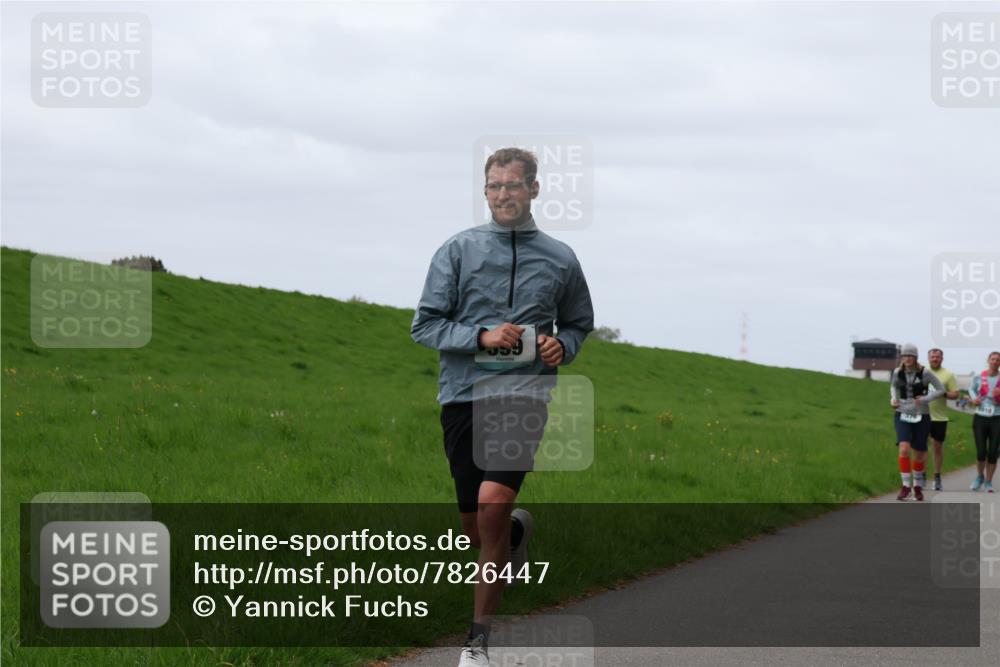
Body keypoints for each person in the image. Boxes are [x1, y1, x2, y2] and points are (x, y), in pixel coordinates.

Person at [411, 147, 594, 667]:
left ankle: (476, 644)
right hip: (464, 395)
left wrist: (566, 346)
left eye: (512, 186)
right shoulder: (458, 250)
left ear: (534, 190)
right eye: (493, 186)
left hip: (525, 395)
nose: (501, 195)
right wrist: (482, 336)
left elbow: (578, 322)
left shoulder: (561, 258)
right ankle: (515, 533)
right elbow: (424, 325)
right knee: (478, 527)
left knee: (493, 502)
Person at [890, 343, 945, 501]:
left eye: (910, 356)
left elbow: (941, 389)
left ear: (915, 358)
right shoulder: (897, 372)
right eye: (905, 355)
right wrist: (893, 399)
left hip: (922, 415)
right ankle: (906, 486)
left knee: (920, 452)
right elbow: (893, 387)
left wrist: (926, 398)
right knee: (904, 448)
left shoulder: (925, 373)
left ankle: (917, 486)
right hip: (902, 413)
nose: (907, 358)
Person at [926, 348, 960, 490]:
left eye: (937, 357)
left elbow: (956, 394)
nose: (935, 359)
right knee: (920, 447)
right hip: (922, 415)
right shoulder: (922, 372)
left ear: (942, 358)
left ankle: (937, 476)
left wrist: (943, 393)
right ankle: (920, 476)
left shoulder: (948, 374)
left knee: (937, 448)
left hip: (939, 418)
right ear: (928, 358)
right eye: (932, 357)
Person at [968, 351, 1000, 493]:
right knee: (981, 451)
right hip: (980, 417)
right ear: (988, 360)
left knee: (993, 452)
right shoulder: (979, 377)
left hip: (997, 417)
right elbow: (971, 388)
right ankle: (980, 476)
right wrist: (974, 398)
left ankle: (988, 482)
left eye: (998, 360)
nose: (995, 362)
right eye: (992, 359)